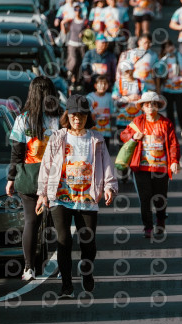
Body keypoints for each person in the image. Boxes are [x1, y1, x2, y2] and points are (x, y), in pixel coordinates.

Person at [35, 95, 118, 298]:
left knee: (88, 242)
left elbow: (106, 164)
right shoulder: (57, 137)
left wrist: (109, 187)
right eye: (73, 115)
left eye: (81, 115)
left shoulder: (96, 138)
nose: (77, 119)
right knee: (63, 241)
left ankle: (87, 272)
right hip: (61, 196)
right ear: (67, 116)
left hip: (87, 198)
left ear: (87, 117)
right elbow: (46, 166)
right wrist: (42, 193)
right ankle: (66, 286)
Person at [6, 77, 62, 282]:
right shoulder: (59, 117)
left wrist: (11, 179)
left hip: (29, 176)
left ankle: (29, 268)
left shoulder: (23, 119)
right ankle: (62, 267)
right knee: (60, 224)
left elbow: (17, 153)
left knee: (31, 221)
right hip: (57, 176)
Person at [120, 92, 181, 238]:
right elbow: (123, 135)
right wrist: (133, 136)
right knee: (145, 198)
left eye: (153, 104)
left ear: (158, 106)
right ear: (142, 107)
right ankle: (148, 227)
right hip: (141, 168)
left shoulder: (166, 123)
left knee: (160, 197)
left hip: (161, 168)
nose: (150, 107)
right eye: (147, 105)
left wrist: (174, 161)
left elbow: (173, 144)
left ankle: (160, 221)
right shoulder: (137, 121)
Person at [158, 40, 182, 139]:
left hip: (181, 89)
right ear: (164, 50)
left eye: (171, 45)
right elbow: (159, 73)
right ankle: (171, 130)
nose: (170, 48)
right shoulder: (163, 60)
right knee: (170, 111)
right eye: (167, 47)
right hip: (167, 89)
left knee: (180, 110)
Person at [65, 4, 89, 90]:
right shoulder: (71, 20)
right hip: (72, 44)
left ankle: (77, 82)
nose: (77, 12)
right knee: (73, 62)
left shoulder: (84, 21)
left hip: (81, 45)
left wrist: (83, 33)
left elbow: (89, 31)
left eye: (79, 10)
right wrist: (62, 23)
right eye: (75, 10)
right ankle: (69, 77)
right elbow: (65, 30)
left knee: (80, 64)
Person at [86, 75, 114, 144]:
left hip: (106, 130)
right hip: (93, 130)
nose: (103, 86)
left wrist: (109, 116)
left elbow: (112, 111)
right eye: (100, 84)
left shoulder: (110, 97)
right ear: (95, 85)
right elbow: (86, 112)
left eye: (105, 84)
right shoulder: (90, 97)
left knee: (105, 147)